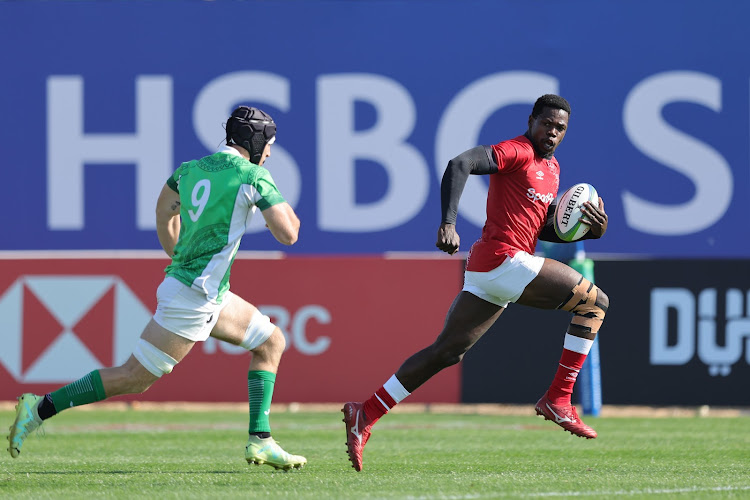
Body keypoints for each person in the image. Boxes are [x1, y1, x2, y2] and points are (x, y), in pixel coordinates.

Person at [7, 106, 307, 471]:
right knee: (132, 378)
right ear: (256, 141)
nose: (271, 152)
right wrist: (270, 191)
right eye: (270, 144)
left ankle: (261, 440)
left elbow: (164, 212)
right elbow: (288, 234)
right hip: (192, 299)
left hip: (204, 292)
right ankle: (38, 408)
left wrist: (178, 254)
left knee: (271, 341)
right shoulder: (253, 176)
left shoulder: (189, 170)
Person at [342, 94, 609, 471]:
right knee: (595, 303)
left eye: (559, 128)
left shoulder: (552, 170)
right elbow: (461, 163)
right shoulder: (516, 150)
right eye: (546, 123)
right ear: (531, 120)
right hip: (504, 259)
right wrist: (447, 224)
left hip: (492, 270)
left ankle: (364, 412)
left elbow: (544, 225)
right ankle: (559, 399)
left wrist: (590, 231)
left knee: (447, 352)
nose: (552, 132)